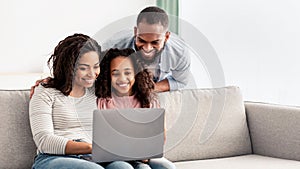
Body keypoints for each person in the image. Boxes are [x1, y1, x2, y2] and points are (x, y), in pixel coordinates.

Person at [29, 33, 134, 169]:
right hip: (54, 157)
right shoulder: (46, 93)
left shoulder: (97, 91)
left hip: (94, 155)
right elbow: (44, 141)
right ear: (69, 67)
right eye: (84, 68)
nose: (92, 74)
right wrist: (92, 147)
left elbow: (132, 78)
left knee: (123, 167)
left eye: (96, 66)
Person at [95, 48, 176, 169]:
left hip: (145, 155)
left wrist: (146, 153)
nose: (122, 78)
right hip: (114, 156)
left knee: (167, 167)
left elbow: (159, 136)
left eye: (127, 73)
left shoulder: (148, 100)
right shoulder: (102, 102)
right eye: (115, 73)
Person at [101, 6, 196, 92]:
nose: (147, 49)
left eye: (155, 42)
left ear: (166, 37)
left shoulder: (180, 52)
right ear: (135, 32)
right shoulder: (113, 46)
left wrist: (149, 89)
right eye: (141, 40)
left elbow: (180, 81)